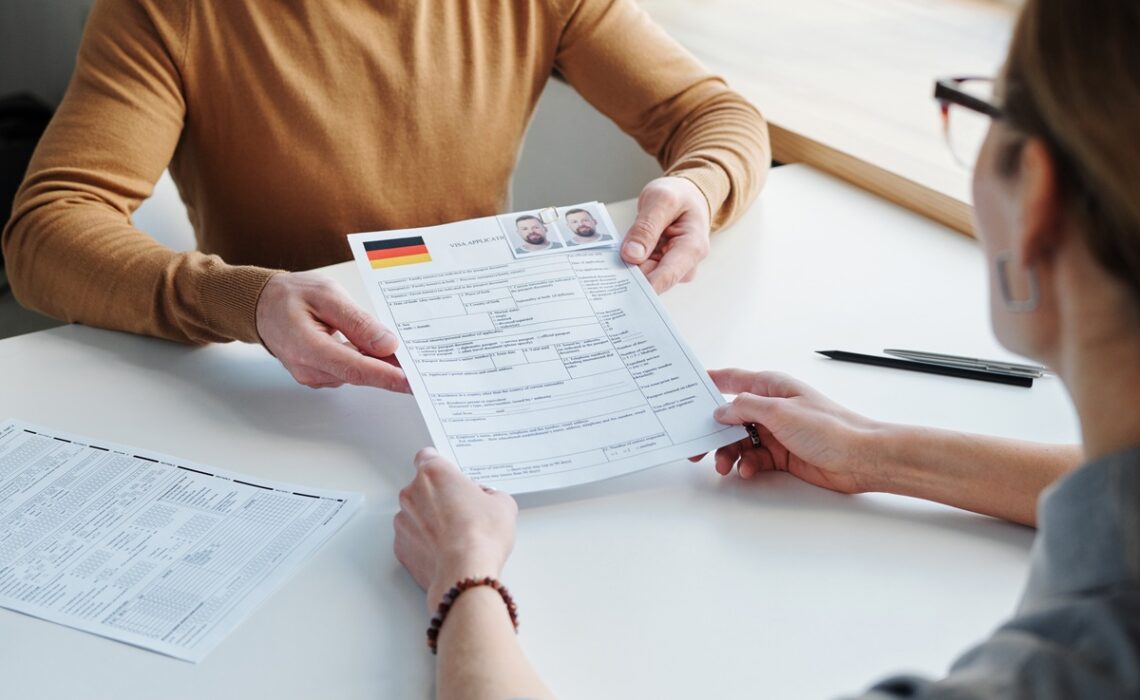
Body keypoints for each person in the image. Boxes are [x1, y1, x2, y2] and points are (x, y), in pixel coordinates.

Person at [392, 0, 1140, 697]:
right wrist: (873, 450)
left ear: (1036, 196)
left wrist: (463, 580)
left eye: (983, 110)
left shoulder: (1066, 668)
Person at [1, 0, 769, 394]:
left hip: (486, 361)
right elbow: (46, 231)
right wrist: (243, 299)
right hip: (280, 386)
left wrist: (699, 184)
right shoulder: (168, 11)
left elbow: (716, 116)